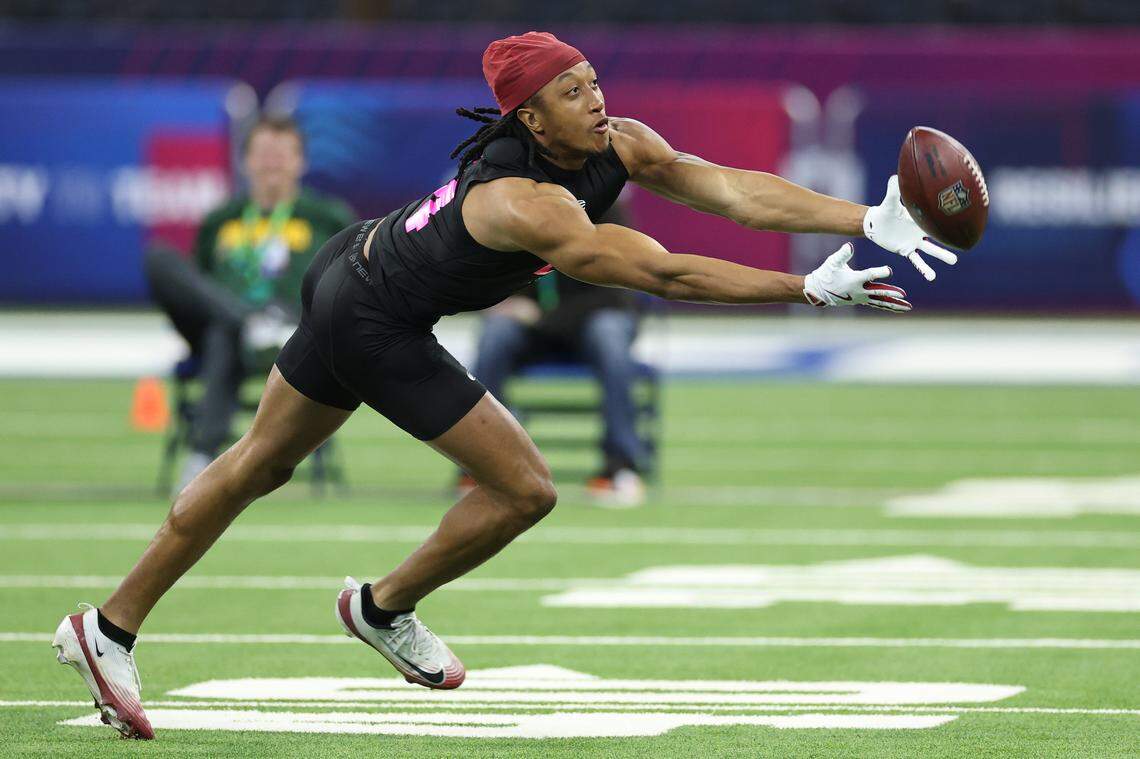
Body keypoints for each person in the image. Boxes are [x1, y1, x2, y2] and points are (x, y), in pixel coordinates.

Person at [52, 31, 955, 739]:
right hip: (374, 319)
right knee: (524, 486)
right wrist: (802, 286)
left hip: (352, 268)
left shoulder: (619, 142)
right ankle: (380, 607)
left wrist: (868, 217)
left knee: (256, 466)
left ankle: (111, 627)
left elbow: (726, 190)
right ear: (530, 119)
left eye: (594, 80)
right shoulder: (522, 201)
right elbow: (665, 272)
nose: (596, 101)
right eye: (572, 93)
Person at [143, 115, 355, 492]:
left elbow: (351, 281)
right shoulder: (220, 219)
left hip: (292, 334)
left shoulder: (327, 216)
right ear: (245, 162)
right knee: (160, 259)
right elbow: (198, 284)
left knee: (224, 334)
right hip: (222, 322)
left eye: (281, 154)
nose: (272, 162)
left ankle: (201, 458)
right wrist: (240, 315)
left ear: (300, 162)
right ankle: (247, 322)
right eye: (263, 153)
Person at [463, 199, 651, 506]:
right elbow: (495, 278)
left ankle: (620, 467)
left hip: (589, 320)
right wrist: (500, 302)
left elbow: (617, 295)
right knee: (497, 331)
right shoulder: (518, 205)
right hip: (534, 329)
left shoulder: (609, 211)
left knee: (610, 335)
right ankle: (480, 466)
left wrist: (544, 319)